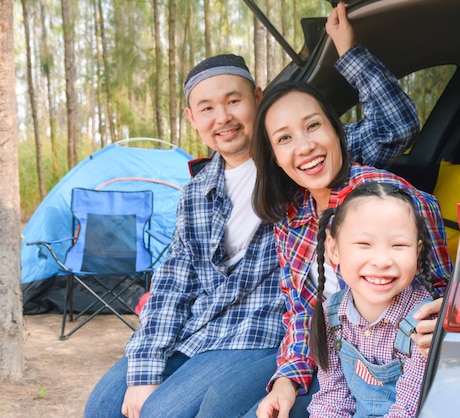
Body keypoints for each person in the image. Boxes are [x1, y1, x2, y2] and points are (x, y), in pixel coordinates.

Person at [84, 3, 421, 417]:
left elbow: (395, 126)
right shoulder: (197, 192)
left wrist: (347, 51)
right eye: (206, 108)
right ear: (192, 118)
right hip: (200, 330)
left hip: (257, 334)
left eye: (233, 101)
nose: (222, 117)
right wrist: (145, 366)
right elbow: (173, 282)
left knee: (163, 412)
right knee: (101, 406)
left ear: (257, 98)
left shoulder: (297, 162)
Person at [250, 80, 452, 417]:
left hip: (406, 370)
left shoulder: (390, 196)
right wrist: (288, 377)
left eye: (313, 125)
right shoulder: (290, 216)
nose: (305, 147)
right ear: (274, 156)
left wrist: (443, 322)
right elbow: (302, 312)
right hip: (336, 374)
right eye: (284, 138)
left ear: (336, 129)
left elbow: (442, 290)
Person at [307, 181, 439, 417]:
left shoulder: (424, 323)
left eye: (399, 245)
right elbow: (333, 396)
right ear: (334, 248)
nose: (382, 261)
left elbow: (409, 410)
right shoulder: (331, 315)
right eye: (364, 244)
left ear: (417, 252)